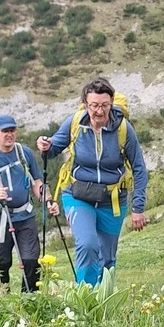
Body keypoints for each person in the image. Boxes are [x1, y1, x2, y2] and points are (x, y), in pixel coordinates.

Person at [37, 77, 149, 286]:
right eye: (94, 105)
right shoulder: (75, 123)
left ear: (111, 103)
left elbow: (139, 168)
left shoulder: (124, 129)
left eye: (104, 105)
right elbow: (52, 150)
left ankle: (103, 306)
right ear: (85, 104)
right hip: (77, 195)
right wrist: (45, 145)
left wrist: (138, 207)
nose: (99, 111)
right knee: (87, 245)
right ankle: (84, 301)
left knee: (108, 260)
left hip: (112, 200)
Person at [0, 114, 58, 292]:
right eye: (5, 131)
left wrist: (48, 200)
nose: (9, 134)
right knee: (1, 263)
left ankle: (31, 300)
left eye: (12, 130)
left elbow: (37, 183)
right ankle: (1, 301)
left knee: (31, 261)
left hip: (25, 215)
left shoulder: (24, 153)